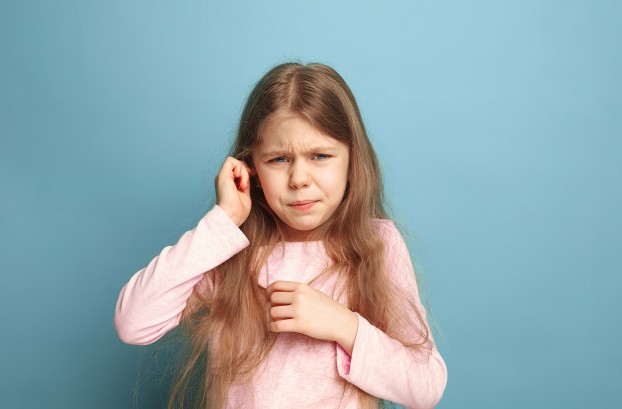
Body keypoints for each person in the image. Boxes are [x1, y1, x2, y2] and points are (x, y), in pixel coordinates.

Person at [114, 62, 447, 409]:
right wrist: (224, 221)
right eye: (278, 159)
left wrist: (344, 325)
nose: (299, 178)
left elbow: (426, 386)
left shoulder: (377, 243)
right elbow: (134, 323)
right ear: (251, 167)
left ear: (352, 161)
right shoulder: (229, 247)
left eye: (320, 155)